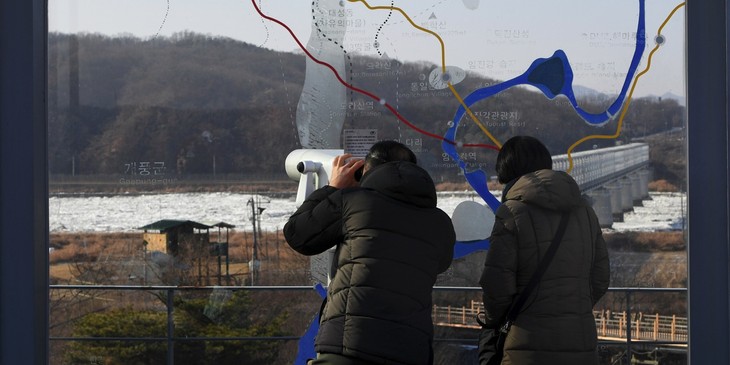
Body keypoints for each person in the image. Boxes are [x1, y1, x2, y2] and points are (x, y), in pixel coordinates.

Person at [284, 140, 456, 365]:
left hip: (350, 345)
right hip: (411, 351)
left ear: (366, 170)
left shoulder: (352, 202)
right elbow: (440, 262)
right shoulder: (440, 223)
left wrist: (333, 189)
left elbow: (298, 234)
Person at [479, 136, 610, 365]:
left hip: (526, 346)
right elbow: (600, 278)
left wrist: (495, 321)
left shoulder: (511, 213)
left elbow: (497, 285)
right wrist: (571, 307)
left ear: (507, 173)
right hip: (579, 340)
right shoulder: (585, 212)